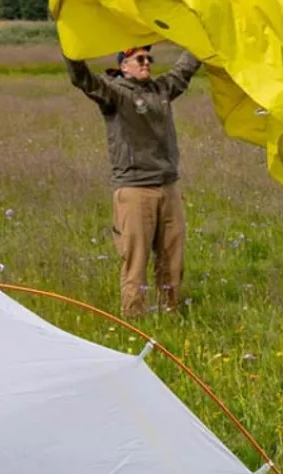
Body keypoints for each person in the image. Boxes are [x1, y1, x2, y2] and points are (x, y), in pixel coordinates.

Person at [66, 44, 201, 316]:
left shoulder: (161, 90)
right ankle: (135, 320)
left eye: (149, 58)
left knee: (172, 261)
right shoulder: (114, 94)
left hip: (169, 188)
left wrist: (201, 37)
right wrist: (71, 46)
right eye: (139, 59)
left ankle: (170, 314)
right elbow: (82, 79)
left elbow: (185, 68)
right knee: (135, 261)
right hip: (135, 191)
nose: (147, 63)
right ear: (124, 66)